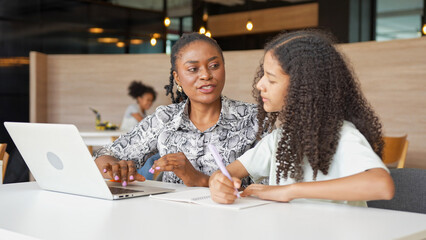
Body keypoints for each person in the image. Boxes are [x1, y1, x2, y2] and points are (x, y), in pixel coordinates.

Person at [209, 30, 395, 206]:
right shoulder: (279, 139)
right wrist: (217, 182)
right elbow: (227, 172)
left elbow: (382, 185)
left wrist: (290, 191)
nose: (259, 84)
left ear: (304, 89)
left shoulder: (343, 135)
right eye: (262, 75)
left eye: (271, 80)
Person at [94, 33, 262, 187]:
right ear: (177, 78)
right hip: (172, 217)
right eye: (193, 69)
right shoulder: (165, 118)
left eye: (214, 65)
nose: (205, 75)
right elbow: (104, 154)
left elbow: (274, 188)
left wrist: (196, 178)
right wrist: (115, 167)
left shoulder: (254, 119)